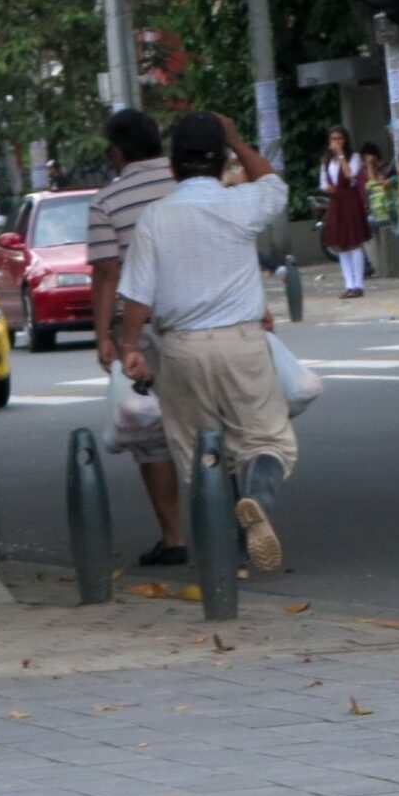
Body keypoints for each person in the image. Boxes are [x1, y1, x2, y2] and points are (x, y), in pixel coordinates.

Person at [117, 111, 294, 575]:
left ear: (173, 166)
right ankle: (254, 499)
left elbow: (137, 293)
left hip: (182, 350)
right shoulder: (241, 204)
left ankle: (222, 557)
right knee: (268, 441)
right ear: (222, 164)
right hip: (243, 342)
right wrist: (236, 137)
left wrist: (130, 345)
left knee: (201, 455)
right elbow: (274, 183)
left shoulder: (155, 218)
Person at [86, 109, 188, 567]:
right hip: (199, 317)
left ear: (117, 152)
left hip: (140, 330)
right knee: (215, 423)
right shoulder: (190, 185)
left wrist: (103, 336)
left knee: (150, 433)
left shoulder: (107, 201)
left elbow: (107, 271)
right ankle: (238, 526)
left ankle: (173, 537)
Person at [319, 126, 372, 298]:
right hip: (336, 201)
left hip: (350, 200)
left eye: (339, 138)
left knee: (353, 241)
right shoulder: (326, 161)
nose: (336, 142)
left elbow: (351, 176)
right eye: (333, 139)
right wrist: (327, 188)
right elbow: (323, 182)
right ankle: (348, 283)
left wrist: (341, 155)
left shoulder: (353, 157)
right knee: (340, 243)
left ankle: (359, 284)